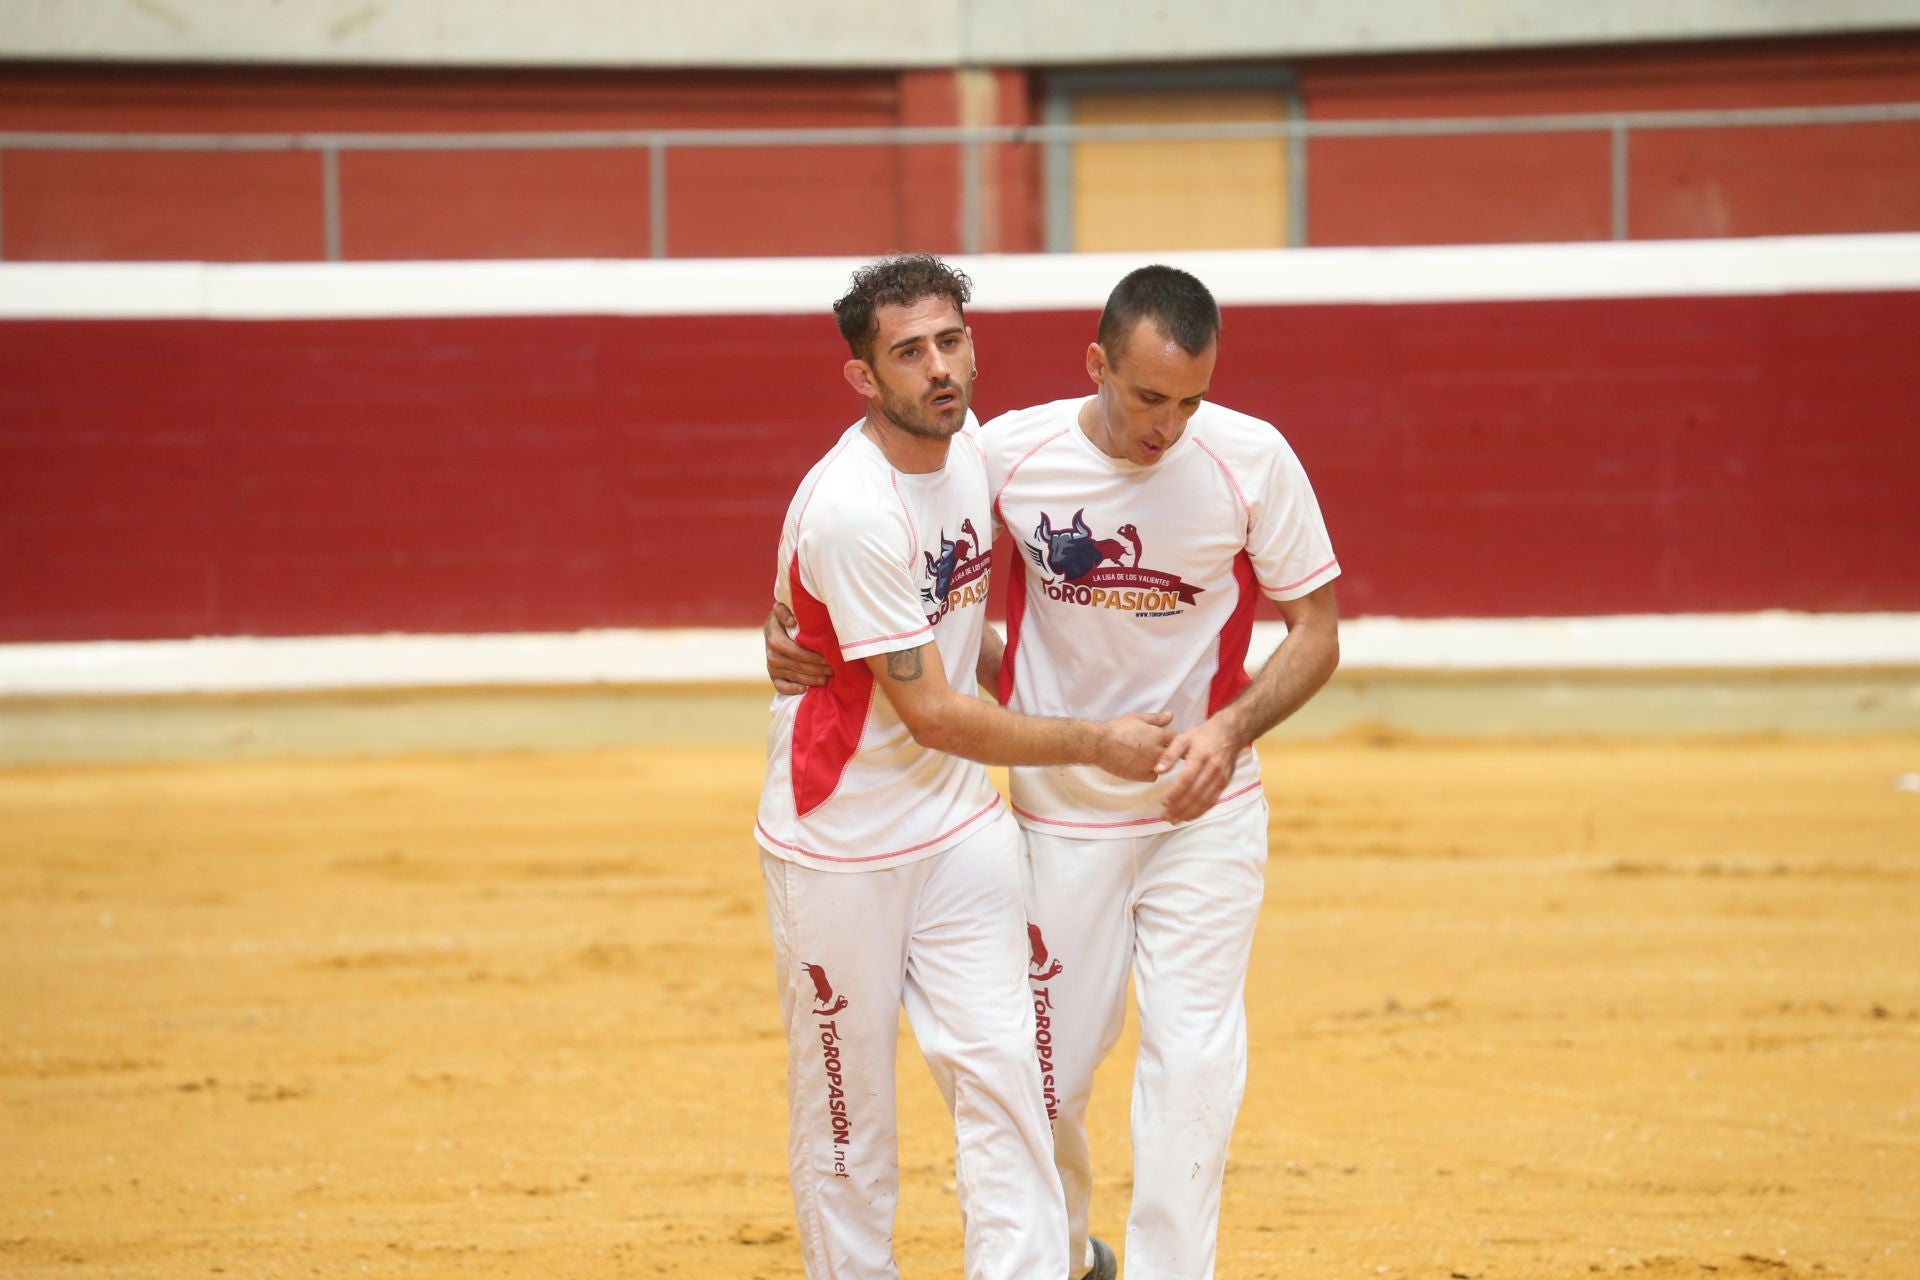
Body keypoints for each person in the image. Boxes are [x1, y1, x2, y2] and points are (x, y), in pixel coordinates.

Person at [768, 264, 1341, 1280]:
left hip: (1200, 809)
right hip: (1055, 817)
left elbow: (1317, 631)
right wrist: (791, 632)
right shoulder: (1003, 454)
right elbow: (879, 550)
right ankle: (1070, 1255)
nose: (1167, 425)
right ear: (1098, 364)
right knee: (1046, 1081)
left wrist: (1231, 729)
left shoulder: (1254, 458)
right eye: (1146, 396)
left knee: (1193, 1063)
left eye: (1190, 399)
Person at [754, 253, 1175, 1280]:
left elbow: (955, 627)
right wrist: (1091, 736)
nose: (939, 367)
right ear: (864, 376)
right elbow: (936, 711)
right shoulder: (853, 509)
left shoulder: (975, 451)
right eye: (908, 352)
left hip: (955, 829)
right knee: (851, 1119)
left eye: (952, 340)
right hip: (838, 840)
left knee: (1009, 1079)